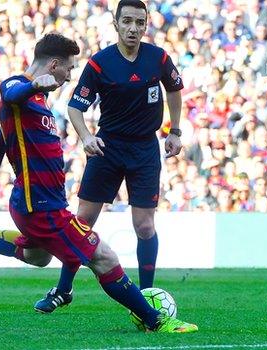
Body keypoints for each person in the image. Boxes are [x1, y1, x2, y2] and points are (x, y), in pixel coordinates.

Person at [0, 32, 197, 333]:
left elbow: (4, 130)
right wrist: (32, 85)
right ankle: (155, 320)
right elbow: (10, 92)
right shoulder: (19, 88)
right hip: (40, 206)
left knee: (36, 256)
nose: (70, 75)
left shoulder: (37, 100)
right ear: (53, 65)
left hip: (39, 203)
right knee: (104, 257)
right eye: (68, 68)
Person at [66, 0, 183, 297]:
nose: (133, 28)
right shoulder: (100, 63)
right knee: (83, 221)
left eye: (139, 23)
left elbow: (175, 91)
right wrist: (86, 137)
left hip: (145, 149)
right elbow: (75, 107)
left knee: (144, 226)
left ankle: (148, 296)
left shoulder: (158, 58)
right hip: (108, 147)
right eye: (127, 21)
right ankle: (63, 288)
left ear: (146, 25)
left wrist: (175, 131)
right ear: (116, 23)